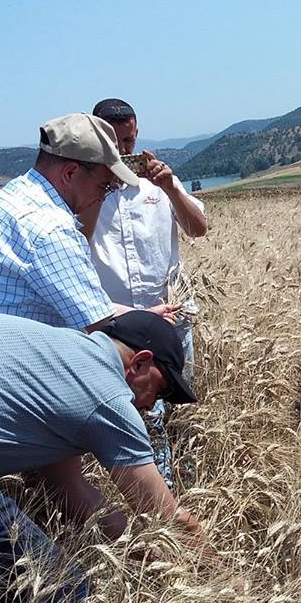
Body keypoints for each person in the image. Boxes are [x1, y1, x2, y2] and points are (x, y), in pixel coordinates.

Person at [0, 310, 204, 603]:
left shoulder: (58, 359)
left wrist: (151, 562)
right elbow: (167, 518)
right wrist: (226, 585)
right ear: (139, 362)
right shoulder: (107, 396)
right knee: (57, 594)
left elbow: (73, 493)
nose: (154, 405)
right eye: (161, 389)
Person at [0, 113, 177, 331]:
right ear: (70, 173)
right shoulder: (51, 230)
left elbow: (84, 304)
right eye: (104, 186)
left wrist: (144, 314)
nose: (102, 197)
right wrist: (150, 326)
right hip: (14, 361)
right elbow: (99, 326)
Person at [89, 98, 209, 488]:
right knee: (133, 414)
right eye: (115, 143)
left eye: (129, 140)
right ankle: (156, 496)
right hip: (116, 325)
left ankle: (181, 483)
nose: (125, 151)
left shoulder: (156, 187)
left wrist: (171, 186)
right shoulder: (85, 194)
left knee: (175, 405)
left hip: (172, 317)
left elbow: (198, 229)